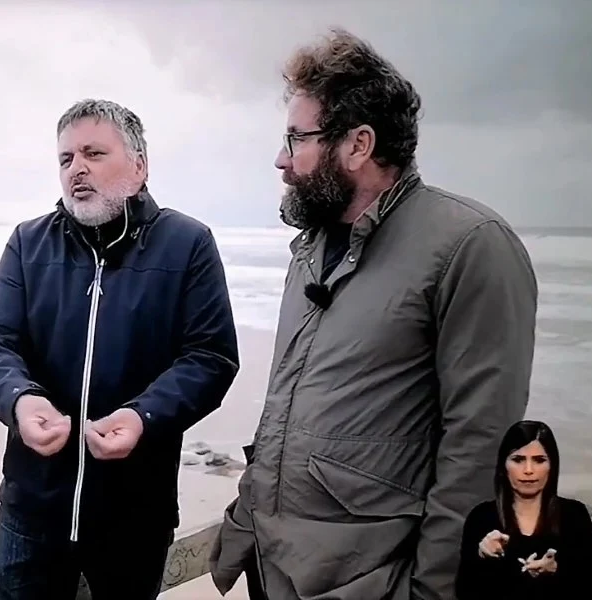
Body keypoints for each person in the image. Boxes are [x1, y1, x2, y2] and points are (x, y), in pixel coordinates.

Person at [209, 28, 539, 600]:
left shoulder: (469, 245)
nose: (281, 160)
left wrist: (433, 588)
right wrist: (246, 519)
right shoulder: (310, 250)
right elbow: (287, 408)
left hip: (373, 579)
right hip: (273, 564)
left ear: (358, 144)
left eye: (296, 138)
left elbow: (480, 446)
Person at [0, 98, 240, 600]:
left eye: (93, 153)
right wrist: (21, 400)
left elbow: (211, 357)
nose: (77, 168)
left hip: (135, 514)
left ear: (139, 166)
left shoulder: (188, 243)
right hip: (31, 508)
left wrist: (143, 416)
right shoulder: (28, 242)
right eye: (66, 158)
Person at [456, 420, 592, 600]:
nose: (528, 470)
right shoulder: (482, 517)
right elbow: (465, 593)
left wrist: (556, 572)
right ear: (503, 467)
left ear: (552, 466)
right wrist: (482, 557)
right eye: (518, 460)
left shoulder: (574, 516)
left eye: (539, 460)